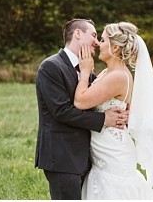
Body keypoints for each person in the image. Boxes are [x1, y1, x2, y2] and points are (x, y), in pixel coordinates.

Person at [73, 22, 153, 199]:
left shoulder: (118, 76)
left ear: (116, 48)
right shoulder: (107, 72)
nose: (97, 44)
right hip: (104, 152)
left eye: (102, 40)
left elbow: (81, 101)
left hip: (113, 154)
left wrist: (84, 72)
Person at [35, 18, 129, 200]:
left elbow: (104, 98)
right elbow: (61, 111)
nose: (96, 42)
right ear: (78, 34)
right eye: (93, 35)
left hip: (87, 159)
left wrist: (127, 110)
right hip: (62, 158)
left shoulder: (88, 70)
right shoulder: (51, 66)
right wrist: (104, 119)